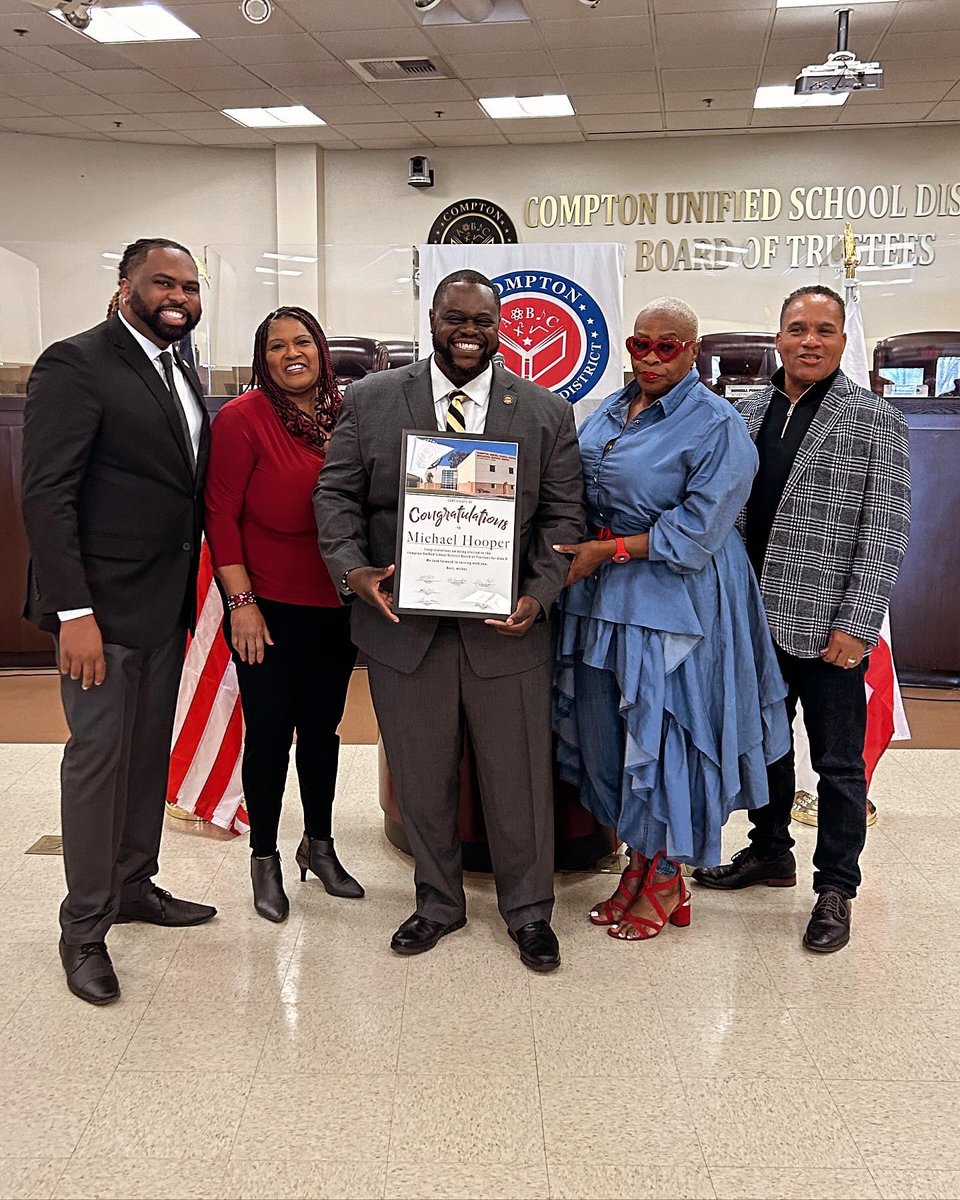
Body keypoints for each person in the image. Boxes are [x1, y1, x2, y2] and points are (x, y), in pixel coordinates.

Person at [314, 269, 583, 972]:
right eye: (455, 319)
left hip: (508, 630)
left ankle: (528, 914)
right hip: (404, 627)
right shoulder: (372, 400)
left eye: (483, 322)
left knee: (518, 779)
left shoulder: (545, 412)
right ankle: (437, 902)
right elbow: (335, 496)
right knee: (421, 777)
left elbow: (562, 520)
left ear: (500, 328)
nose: (469, 333)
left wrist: (539, 592)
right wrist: (353, 571)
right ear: (431, 319)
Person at [553, 298, 789, 942]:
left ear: (692, 349)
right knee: (609, 733)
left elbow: (699, 532)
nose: (652, 358)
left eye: (668, 346)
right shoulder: (606, 406)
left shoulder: (717, 424)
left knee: (662, 737)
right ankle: (637, 865)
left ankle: (665, 874)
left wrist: (611, 548)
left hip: (677, 600)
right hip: (602, 594)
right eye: (640, 345)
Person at [21, 238, 217, 1006]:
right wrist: (73, 611)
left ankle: (135, 886)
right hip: (97, 613)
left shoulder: (177, 367)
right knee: (99, 763)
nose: (180, 296)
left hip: (164, 606)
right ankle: (83, 928)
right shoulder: (76, 363)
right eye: (164, 282)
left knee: (143, 758)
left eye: (191, 286)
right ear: (125, 285)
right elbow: (46, 495)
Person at [694, 286, 911, 954]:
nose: (809, 340)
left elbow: (887, 531)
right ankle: (769, 850)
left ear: (843, 340)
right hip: (753, 619)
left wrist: (860, 619)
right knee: (764, 745)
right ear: (778, 337)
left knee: (839, 765)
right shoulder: (747, 410)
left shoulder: (875, 419)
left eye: (824, 329)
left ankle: (837, 887)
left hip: (830, 626)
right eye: (797, 329)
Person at [204, 307, 361, 922]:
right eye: (276, 346)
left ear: (322, 350)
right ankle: (264, 859)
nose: (291, 354)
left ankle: (317, 846)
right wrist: (240, 602)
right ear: (261, 357)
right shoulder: (243, 419)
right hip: (265, 608)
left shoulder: (347, 415)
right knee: (269, 734)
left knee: (322, 730)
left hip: (337, 604)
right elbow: (219, 515)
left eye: (302, 342)